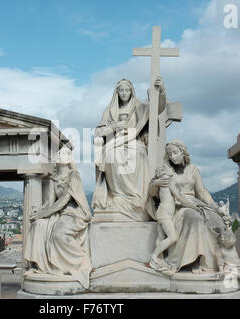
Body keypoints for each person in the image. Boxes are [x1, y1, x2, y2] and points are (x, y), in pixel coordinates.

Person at [92, 77, 167, 221]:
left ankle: (136, 197)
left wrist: (161, 91)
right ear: (117, 93)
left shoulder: (139, 107)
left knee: (138, 153)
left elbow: (157, 108)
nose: (124, 93)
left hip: (135, 142)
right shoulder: (110, 111)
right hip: (114, 143)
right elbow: (98, 133)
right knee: (110, 154)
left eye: (127, 90)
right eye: (122, 90)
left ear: (132, 92)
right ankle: (118, 196)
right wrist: (115, 126)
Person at [149, 140, 229, 274]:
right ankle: (192, 260)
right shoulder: (167, 171)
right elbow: (152, 192)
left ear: (183, 152)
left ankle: (218, 262)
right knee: (194, 218)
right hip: (178, 206)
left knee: (216, 221)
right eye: (170, 154)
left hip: (195, 203)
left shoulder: (193, 170)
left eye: (175, 152)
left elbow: (202, 192)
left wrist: (215, 207)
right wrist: (157, 183)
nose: (173, 157)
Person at [24, 147, 92, 289]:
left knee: (58, 234)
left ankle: (79, 262)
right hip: (59, 213)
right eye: (59, 152)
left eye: (65, 153)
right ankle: (38, 265)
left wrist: (44, 213)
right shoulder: (53, 179)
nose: (60, 154)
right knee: (38, 225)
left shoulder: (74, 176)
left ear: (70, 160)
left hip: (74, 214)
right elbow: (50, 202)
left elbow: (64, 200)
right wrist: (39, 212)